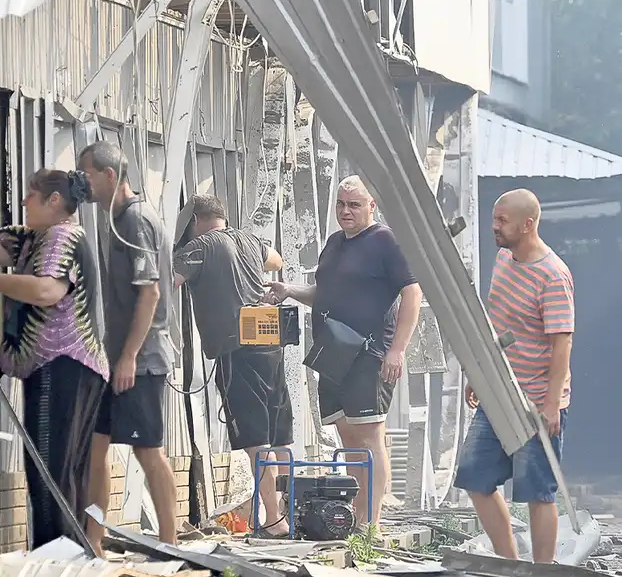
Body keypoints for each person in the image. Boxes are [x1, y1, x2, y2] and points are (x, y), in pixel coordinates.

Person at [264, 175, 422, 526]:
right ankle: (354, 518)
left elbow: (412, 292)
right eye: (341, 204)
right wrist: (289, 289)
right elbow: (324, 292)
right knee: (347, 435)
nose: (346, 211)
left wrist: (397, 350)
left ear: (371, 206)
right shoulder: (334, 242)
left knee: (369, 433)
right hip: (332, 351)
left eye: (354, 204)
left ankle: (371, 525)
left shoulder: (385, 241)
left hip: (369, 352)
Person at [0, 168, 110, 549]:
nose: (23, 200)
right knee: (61, 468)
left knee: (48, 469)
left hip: (62, 363)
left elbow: (46, 290)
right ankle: (67, 552)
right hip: (70, 366)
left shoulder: (62, 236)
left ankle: (56, 555)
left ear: (54, 201)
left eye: (31, 194)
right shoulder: (35, 237)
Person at [453, 188, 575, 563]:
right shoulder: (504, 258)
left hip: (536, 401)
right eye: (494, 218)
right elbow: (496, 325)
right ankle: (509, 565)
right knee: (474, 477)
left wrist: (551, 404)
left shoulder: (553, 276)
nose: (494, 226)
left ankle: (542, 572)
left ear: (528, 223)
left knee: (538, 491)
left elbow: (562, 344)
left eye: (502, 220)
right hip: (498, 392)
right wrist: (479, 372)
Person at [79, 140, 178, 555]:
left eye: (85, 175)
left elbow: (150, 293)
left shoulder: (136, 220)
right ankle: (94, 540)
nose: (81, 185)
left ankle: (171, 544)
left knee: (147, 449)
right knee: (95, 446)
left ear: (108, 175)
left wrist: (129, 357)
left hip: (142, 359)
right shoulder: (113, 218)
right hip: (114, 355)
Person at [172, 194, 292, 537]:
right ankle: (286, 510)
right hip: (270, 344)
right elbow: (276, 259)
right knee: (278, 434)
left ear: (194, 221)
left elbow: (171, 280)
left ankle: (273, 521)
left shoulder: (200, 246)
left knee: (256, 438)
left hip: (236, 351)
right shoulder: (250, 240)